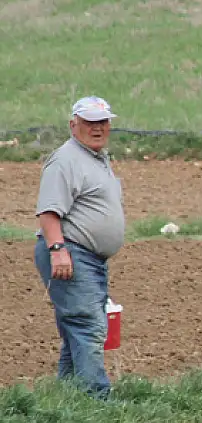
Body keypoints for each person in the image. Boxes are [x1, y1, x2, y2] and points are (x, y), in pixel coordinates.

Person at [33, 96, 126, 399]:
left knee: (77, 330)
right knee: (87, 327)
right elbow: (48, 212)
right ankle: (97, 400)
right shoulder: (66, 160)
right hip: (71, 253)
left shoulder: (95, 157)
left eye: (102, 122)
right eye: (89, 122)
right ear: (74, 124)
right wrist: (58, 249)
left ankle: (67, 399)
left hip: (87, 257)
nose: (97, 128)